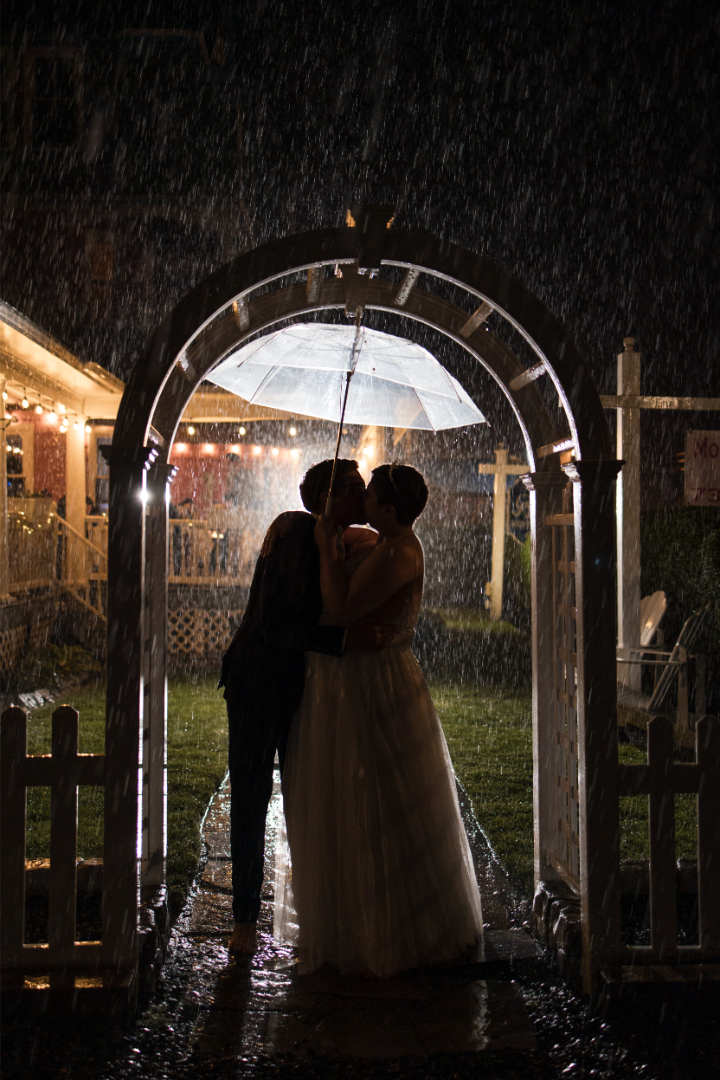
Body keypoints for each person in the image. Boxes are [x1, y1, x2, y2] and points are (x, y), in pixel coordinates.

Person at [275, 463, 483, 977]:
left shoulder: (398, 551)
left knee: (377, 799)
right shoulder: (387, 540)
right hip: (349, 680)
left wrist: (327, 549)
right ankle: (349, 917)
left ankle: (382, 931)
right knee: (348, 796)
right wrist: (326, 530)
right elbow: (354, 537)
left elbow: (343, 609)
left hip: (374, 681)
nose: (361, 499)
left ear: (389, 511)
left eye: (369, 496)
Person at [219, 458, 389, 957]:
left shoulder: (332, 537)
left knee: (303, 797)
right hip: (257, 684)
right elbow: (276, 628)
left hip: (299, 689)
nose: (364, 500)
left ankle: (313, 908)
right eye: (355, 490)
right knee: (251, 799)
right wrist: (343, 640)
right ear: (327, 498)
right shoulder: (294, 536)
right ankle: (245, 918)